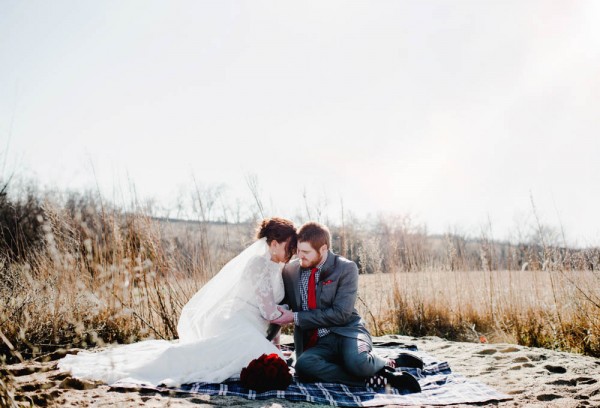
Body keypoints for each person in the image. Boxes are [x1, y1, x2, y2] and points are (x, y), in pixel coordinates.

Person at [58, 217, 297, 387]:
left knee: (263, 353)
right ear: (273, 242)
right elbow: (268, 313)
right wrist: (297, 317)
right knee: (249, 354)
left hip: (250, 324)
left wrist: (276, 340)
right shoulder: (258, 265)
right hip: (235, 321)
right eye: (289, 245)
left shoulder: (275, 266)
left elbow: (270, 313)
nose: (292, 251)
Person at [270, 221, 421, 392]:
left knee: (358, 363)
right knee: (304, 366)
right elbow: (282, 307)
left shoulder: (346, 268)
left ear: (323, 249)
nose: (300, 256)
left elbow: (341, 313)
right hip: (318, 342)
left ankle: (390, 362)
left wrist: (295, 317)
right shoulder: (290, 271)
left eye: (305, 252)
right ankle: (375, 378)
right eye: (298, 250)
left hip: (348, 332)